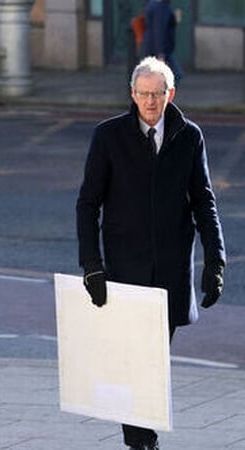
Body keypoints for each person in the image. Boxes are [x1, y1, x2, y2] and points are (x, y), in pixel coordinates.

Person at [76, 57, 225, 450]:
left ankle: (142, 439)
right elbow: (88, 204)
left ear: (170, 94)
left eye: (157, 94)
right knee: (135, 359)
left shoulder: (189, 136)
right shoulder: (108, 136)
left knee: (154, 360)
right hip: (125, 272)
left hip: (171, 273)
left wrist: (215, 261)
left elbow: (204, 202)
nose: (150, 102)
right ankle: (142, 441)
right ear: (132, 94)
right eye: (142, 94)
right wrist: (92, 266)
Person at [141, 0, 184, 84]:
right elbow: (159, 30)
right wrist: (160, 53)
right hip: (159, 49)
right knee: (175, 75)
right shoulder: (160, 7)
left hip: (154, 47)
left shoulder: (153, 5)